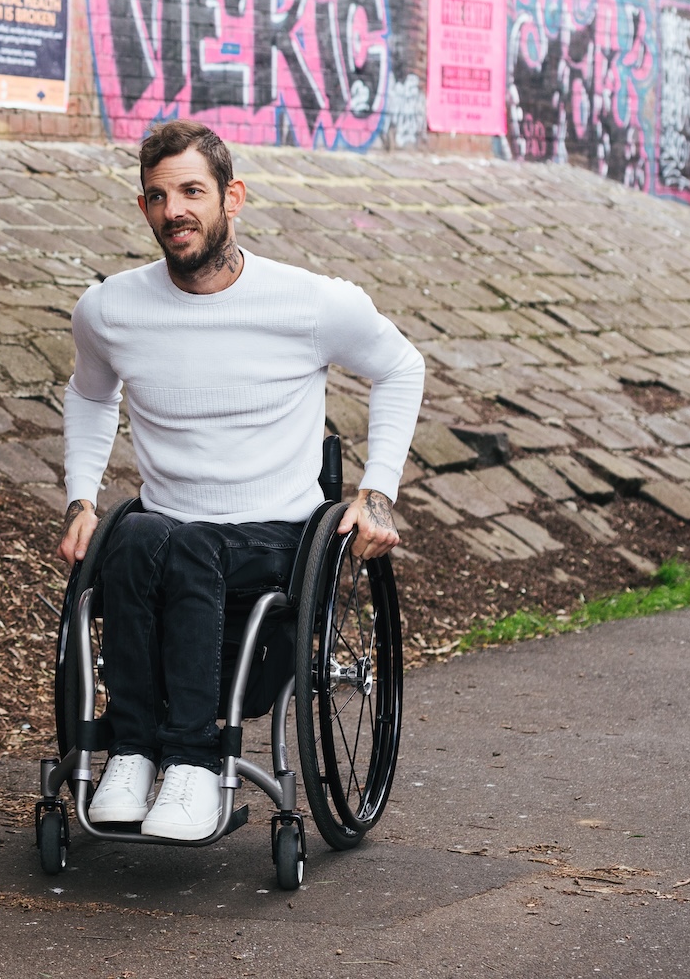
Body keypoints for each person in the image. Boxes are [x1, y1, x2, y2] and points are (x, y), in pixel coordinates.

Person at [56, 120, 424, 840]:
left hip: (276, 537)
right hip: (163, 537)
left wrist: (377, 491)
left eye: (192, 191)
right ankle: (130, 754)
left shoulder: (311, 302)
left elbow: (400, 367)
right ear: (143, 209)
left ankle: (193, 766)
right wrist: (81, 498)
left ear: (234, 197)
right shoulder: (110, 310)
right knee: (133, 539)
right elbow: (90, 394)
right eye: (158, 197)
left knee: (180, 544)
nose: (175, 211)